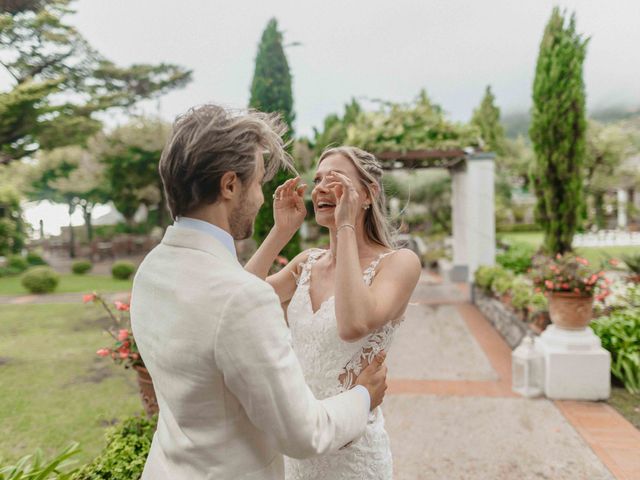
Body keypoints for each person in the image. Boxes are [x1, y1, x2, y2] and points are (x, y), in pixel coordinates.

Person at [130, 106, 388, 480]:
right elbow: (304, 435)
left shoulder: (151, 270)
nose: (260, 197)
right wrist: (364, 395)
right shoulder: (241, 297)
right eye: (256, 184)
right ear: (230, 185)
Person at [245, 146, 422, 479]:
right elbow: (241, 298)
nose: (321, 187)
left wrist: (345, 228)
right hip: (299, 439)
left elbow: (353, 325)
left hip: (353, 455)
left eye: (335, 178)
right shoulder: (306, 263)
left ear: (367, 194)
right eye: (317, 179)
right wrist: (280, 232)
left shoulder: (399, 264)